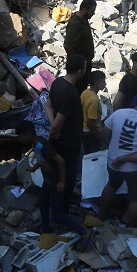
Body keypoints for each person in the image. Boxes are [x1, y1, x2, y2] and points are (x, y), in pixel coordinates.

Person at [17, 120, 92, 249]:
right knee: (42, 203)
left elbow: (60, 161)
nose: (19, 139)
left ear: (28, 134)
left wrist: (62, 182)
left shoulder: (43, 146)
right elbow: (41, 159)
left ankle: (84, 231)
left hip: (55, 181)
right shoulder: (35, 144)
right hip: (48, 180)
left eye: (20, 136)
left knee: (58, 214)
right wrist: (34, 168)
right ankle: (45, 229)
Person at [98, 85, 137, 226]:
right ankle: (131, 229)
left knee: (111, 186)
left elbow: (104, 134)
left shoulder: (118, 113)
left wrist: (112, 147)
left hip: (113, 162)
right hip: (135, 169)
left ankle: (100, 216)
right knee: (135, 199)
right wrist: (126, 157)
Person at [46, 54, 87, 213]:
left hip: (61, 139)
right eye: (84, 68)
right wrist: (53, 131)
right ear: (79, 71)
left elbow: (48, 106)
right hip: (69, 142)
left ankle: (55, 204)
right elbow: (58, 123)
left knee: (57, 173)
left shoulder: (57, 82)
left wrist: (53, 127)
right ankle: (61, 210)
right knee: (68, 177)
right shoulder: (70, 93)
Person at [64, 0, 96, 93]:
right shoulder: (75, 24)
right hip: (79, 67)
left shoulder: (84, 20)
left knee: (83, 86)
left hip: (85, 64)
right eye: (92, 11)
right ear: (84, 10)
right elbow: (68, 45)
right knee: (78, 89)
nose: (93, 13)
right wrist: (78, 62)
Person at [81, 70, 107, 154]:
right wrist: (100, 139)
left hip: (84, 131)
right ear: (97, 83)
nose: (105, 84)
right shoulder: (94, 99)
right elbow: (90, 122)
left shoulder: (85, 92)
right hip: (92, 134)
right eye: (103, 81)